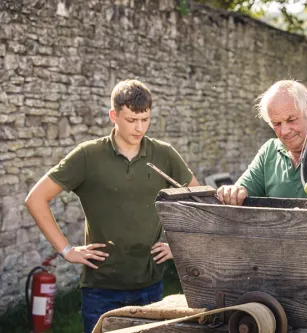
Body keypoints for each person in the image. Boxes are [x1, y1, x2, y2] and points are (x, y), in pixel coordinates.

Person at [25, 79, 200, 333]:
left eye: (145, 119)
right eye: (131, 120)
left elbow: (200, 201)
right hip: (101, 289)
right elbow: (36, 199)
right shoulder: (88, 155)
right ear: (113, 116)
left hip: (150, 286)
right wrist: (66, 250)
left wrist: (180, 247)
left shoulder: (164, 154)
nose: (139, 128)